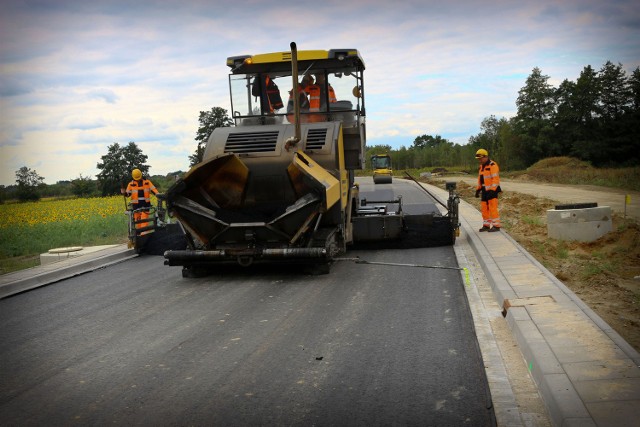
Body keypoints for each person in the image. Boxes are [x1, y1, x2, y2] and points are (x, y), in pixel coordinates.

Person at [475, 149, 502, 232]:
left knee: (492, 208)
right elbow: (480, 179)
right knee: (484, 209)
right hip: (484, 190)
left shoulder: (492, 165)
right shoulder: (481, 167)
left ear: (486, 157)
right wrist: (478, 189)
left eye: (480, 158)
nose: (479, 160)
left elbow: (495, 179)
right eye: (478, 159)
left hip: (492, 191)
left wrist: (493, 190)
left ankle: (496, 226)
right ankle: (486, 225)